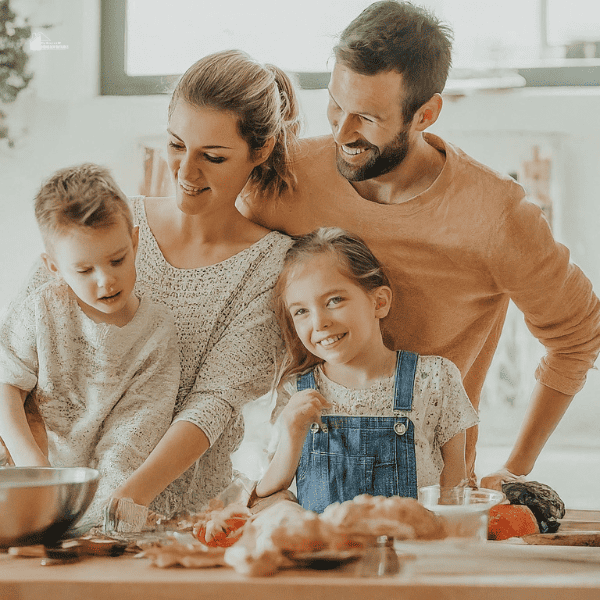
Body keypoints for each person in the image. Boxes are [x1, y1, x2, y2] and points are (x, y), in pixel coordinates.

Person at [238, 1, 600, 490]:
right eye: (335, 105)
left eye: (366, 117)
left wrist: (515, 468)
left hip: (433, 496)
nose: (341, 132)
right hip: (304, 491)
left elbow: (578, 337)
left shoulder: (497, 215)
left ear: (425, 113)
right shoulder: (286, 178)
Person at [20, 49, 298, 521]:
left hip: (167, 513)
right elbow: (21, 351)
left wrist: (124, 501)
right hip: (44, 502)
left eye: (212, 157)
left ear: (261, 150)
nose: (186, 173)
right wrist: (39, 482)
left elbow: (213, 402)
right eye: (176, 145)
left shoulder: (272, 266)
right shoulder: (112, 219)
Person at [0, 163, 181, 526]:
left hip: (102, 498)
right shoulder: (41, 309)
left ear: (135, 240)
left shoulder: (156, 334)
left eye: (117, 260)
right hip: (25, 483)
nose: (106, 280)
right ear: (53, 267)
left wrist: (95, 515)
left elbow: (133, 436)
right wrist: (35, 471)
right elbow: (6, 384)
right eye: (84, 271)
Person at [256, 227, 478, 512]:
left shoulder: (435, 378)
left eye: (334, 300)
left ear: (379, 302)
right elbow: (265, 493)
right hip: (327, 553)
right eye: (301, 311)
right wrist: (291, 433)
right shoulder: (297, 391)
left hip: (415, 550)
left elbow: (455, 487)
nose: (319, 322)